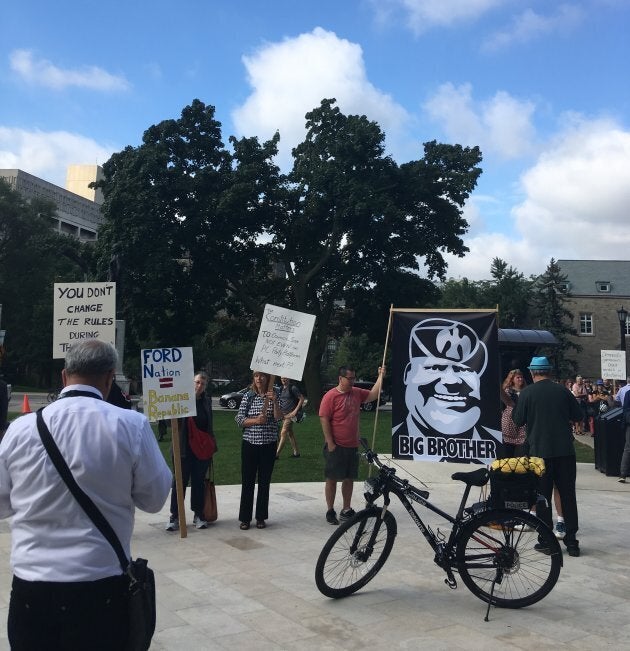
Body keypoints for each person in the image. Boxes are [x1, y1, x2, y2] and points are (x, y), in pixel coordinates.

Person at [0, 339, 171, 650]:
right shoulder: (131, 425)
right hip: (101, 585)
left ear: (65, 376)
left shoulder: (21, 429)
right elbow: (155, 498)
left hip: (32, 588)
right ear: (110, 377)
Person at [392, 318, 501, 464]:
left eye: (463, 369)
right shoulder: (398, 442)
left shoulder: (494, 446)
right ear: (408, 374)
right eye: (436, 367)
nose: (452, 381)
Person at [512, 356, 583, 557]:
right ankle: (572, 542)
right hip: (565, 452)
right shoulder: (562, 390)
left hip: (539, 453)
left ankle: (546, 541)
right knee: (568, 495)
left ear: (532, 372)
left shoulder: (527, 393)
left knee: (542, 497)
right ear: (549, 372)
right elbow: (578, 416)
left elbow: (518, 420)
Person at [319, 365, 385, 525]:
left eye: (354, 378)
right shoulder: (330, 396)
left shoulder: (356, 393)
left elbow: (372, 395)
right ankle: (330, 510)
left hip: (352, 445)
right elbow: (324, 418)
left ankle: (346, 509)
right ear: (340, 379)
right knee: (332, 478)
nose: (352, 381)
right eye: (350, 378)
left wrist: (380, 376)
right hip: (336, 445)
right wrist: (330, 443)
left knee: (349, 478)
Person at [166, 371, 216, 531]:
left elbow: (209, 426)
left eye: (202, 383)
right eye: (196, 382)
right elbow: (168, 422)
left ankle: (198, 514)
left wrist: (211, 446)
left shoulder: (206, 402)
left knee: (198, 483)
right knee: (179, 482)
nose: (199, 386)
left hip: (201, 451)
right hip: (183, 449)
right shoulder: (181, 399)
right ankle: (175, 516)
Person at [235, 371, 282, 530]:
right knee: (247, 482)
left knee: (264, 482)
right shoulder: (249, 396)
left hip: (268, 445)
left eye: (262, 376)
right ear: (253, 379)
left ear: (267, 378)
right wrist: (256, 420)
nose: (259, 379)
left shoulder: (274, 394)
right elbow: (240, 420)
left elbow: (279, 417)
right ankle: (245, 518)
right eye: (256, 376)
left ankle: (261, 517)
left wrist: (274, 402)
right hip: (250, 444)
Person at [499, 369, 527, 457]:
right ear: (512, 379)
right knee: (508, 445)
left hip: (523, 419)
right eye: (518, 377)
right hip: (509, 419)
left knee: (522, 444)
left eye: (521, 377)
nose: (520, 379)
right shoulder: (507, 391)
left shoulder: (527, 390)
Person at [276, 376, 305, 459]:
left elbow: (301, 399)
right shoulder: (281, 388)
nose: (283, 380)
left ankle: (276, 454)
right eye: (282, 378)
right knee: (290, 433)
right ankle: (296, 453)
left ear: (289, 378)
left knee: (283, 432)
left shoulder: (293, 388)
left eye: (285, 378)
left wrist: (295, 411)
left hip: (290, 415)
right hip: (284, 415)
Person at [618, 389, 630, 483]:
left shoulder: (628, 393)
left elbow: (625, 409)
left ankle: (623, 474)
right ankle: (623, 473)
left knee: (628, 449)